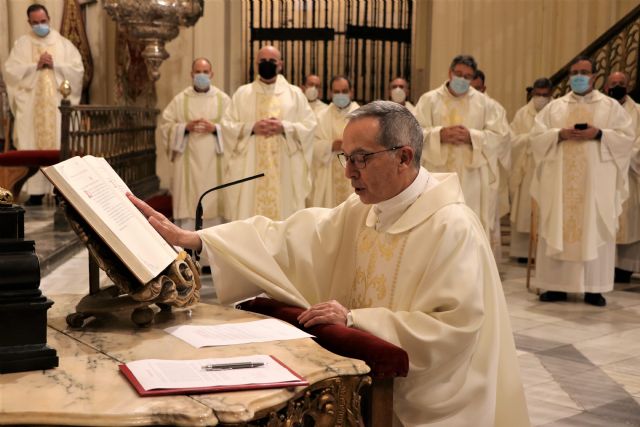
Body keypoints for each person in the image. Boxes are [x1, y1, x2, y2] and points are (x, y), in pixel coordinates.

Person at [128, 101, 530, 427]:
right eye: (345, 157)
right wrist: (197, 239)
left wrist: (356, 321)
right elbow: (289, 237)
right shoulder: (367, 209)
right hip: (371, 383)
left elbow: (452, 328)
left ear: (404, 157)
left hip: (436, 402)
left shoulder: (451, 226)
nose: (349, 172)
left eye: (361, 158)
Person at [530, 56, 634, 307]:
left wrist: (598, 133)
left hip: (595, 185)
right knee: (559, 223)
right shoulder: (555, 108)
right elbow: (536, 137)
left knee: (593, 224)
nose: (579, 76)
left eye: (584, 72)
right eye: (574, 72)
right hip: (560, 183)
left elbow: (626, 138)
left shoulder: (610, 107)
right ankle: (555, 286)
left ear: (594, 76)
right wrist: (559, 134)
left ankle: (593, 288)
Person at [414, 55, 509, 239]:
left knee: (468, 228)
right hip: (436, 176)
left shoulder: (486, 104)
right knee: (435, 227)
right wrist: (439, 134)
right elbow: (412, 132)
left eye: (467, 76)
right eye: (459, 74)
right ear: (450, 73)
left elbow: (502, 137)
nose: (462, 79)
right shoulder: (429, 100)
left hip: (472, 180)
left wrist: (472, 137)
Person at [221, 45, 317, 220]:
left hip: (285, 168)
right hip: (250, 168)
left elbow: (310, 125)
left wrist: (285, 127)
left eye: (272, 61)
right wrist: (251, 127)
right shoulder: (243, 93)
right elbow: (227, 125)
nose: (267, 64)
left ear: (280, 64)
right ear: (256, 64)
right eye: (263, 61)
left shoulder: (294, 94)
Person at [4, 3, 83, 205]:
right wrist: (34, 66)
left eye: (43, 21)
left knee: (58, 143)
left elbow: (78, 71)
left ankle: (61, 192)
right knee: (32, 143)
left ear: (49, 19)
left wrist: (55, 64)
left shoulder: (64, 44)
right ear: (29, 23)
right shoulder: (21, 44)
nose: (40, 25)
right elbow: (11, 72)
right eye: (36, 22)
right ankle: (36, 193)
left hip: (57, 108)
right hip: (31, 107)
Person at [159, 57, 231, 230]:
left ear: (212, 74)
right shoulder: (180, 100)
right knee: (189, 209)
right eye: (198, 72)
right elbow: (166, 126)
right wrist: (184, 127)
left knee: (214, 209)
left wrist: (216, 128)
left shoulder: (223, 100)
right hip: (187, 163)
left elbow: (234, 129)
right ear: (191, 74)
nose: (201, 75)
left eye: (205, 72)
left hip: (215, 162)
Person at [509, 78, 553, 262]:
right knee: (524, 210)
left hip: (548, 166)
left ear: (550, 95)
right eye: (537, 94)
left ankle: (542, 250)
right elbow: (511, 140)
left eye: (544, 95)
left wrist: (542, 140)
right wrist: (531, 139)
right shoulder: (522, 114)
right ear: (532, 93)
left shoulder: (555, 111)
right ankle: (522, 253)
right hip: (527, 166)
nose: (540, 98)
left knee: (546, 209)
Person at [470, 69, 512, 261]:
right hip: (455, 171)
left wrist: (472, 137)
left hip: (483, 175)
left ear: (484, 87)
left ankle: (484, 264)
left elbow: (503, 139)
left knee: (482, 219)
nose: (473, 91)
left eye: (477, 88)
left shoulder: (493, 107)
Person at [603, 71, 640, 282]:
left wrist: (622, 155)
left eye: (621, 83)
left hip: (630, 175)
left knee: (628, 221)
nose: (617, 86)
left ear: (628, 85)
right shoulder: (601, 110)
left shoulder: (638, 112)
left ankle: (624, 268)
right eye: (613, 83)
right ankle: (605, 265)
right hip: (605, 175)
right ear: (606, 86)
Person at [308, 75, 359, 208]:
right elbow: (311, 146)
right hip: (328, 176)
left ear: (351, 92)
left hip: (355, 174)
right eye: (336, 92)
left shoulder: (361, 115)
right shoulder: (321, 116)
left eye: (344, 91)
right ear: (330, 93)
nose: (340, 94)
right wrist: (330, 146)